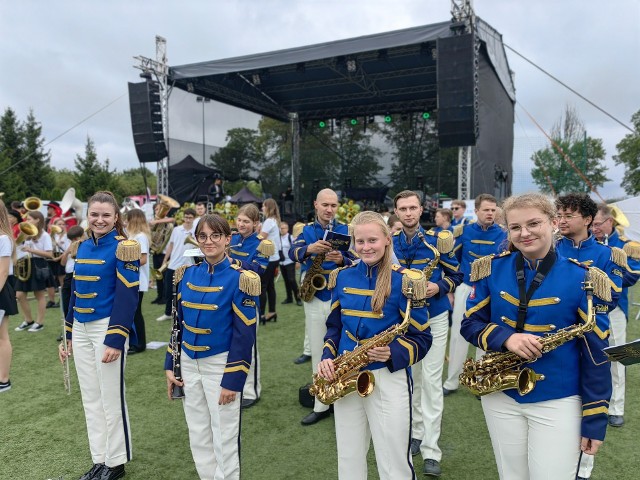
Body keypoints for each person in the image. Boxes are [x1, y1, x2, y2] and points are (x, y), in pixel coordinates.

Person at [460, 193, 612, 480]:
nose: (524, 233)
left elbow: (596, 353)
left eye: (533, 223)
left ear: (554, 222)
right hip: (502, 395)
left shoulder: (586, 277)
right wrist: (506, 338)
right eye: (515, 227)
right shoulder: (489, 268)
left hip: (559, 397)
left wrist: (594, 417)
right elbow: (470, 324)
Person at [317, 210, 432, 480]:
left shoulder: (407, 280)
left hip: (387, 376)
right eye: (360, 242)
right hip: (345, 373)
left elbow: (423, 338)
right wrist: (326, 356)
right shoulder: (342, 276)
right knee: (349, 454)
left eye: (372, 241)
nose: (366, 247)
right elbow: (334, 326)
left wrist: (393, 351)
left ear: (386, 240)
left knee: (393, 459)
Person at [165, 214, 259, 480]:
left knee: (224, 436)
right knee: (198, 432)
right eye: (203, 236)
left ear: (228, 239)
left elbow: (244, 336)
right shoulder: (186, 274)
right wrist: (171, 366)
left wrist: (233, 379)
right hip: (188, 363)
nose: (209, 242)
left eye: (215, 235)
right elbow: (177, 324)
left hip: (221, 365)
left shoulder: (241, 279)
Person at [59, 191, 140, 480]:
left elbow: (128, 298)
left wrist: (116, 338)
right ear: (87, 216)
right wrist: (67, 334)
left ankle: (115, 463)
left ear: (116, 217)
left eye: (106, 215)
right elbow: (75, 294)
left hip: (107, 327)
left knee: (110, 398)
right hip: (80, 328)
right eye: (94, 214)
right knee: (91, 398)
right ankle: (99, 459)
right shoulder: (81, 247)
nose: (99, 219)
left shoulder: (124, 248)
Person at [392, 190, 463, 476]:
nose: (408, 213)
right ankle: (416, 434)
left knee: (432, 382)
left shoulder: (438, 241)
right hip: (401, 323)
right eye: (403, 209)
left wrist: (439, 287)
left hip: (433, 318)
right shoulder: (390, 244)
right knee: (412, 381)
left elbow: (457, 275)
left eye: (413, 208)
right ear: (396, 212)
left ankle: (432, 450)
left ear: (422, 210)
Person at [555, 194, 625, 480]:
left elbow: (612, 296)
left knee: (591, 396)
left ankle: (583, 470)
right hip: (555, 333)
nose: (561, 219)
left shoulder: (608, 255)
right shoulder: (549, 248)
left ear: (587, 219)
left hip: (591, 333)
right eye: (559, 214)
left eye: (569, 215)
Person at [289, 188, 354, 426]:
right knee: (318, 350)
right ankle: (321, 403)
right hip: (316, 296)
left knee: (344, 350)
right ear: (316, 204)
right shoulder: (306, 230)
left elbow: (359, 258)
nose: (329, 209)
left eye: (333, 205)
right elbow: (292, 253)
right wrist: (309, 249)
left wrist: (342, 260)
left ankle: (342, 399)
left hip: (342, 297)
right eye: (325, 205)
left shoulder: (347, 230)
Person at [443, 193, 507, 395]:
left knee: (486, 335)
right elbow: (453, 262)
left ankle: (482, 380)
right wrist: (452, 290)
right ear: (477, 211)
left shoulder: (504, 234)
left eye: (493, 209)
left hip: (492, 291)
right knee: (458, 336)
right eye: (486, 209)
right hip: (466, 288)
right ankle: (452, 381)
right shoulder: (463, 231)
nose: (490, 213)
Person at [591, 203, 640, 428]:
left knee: (617, 357)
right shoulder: (587, 243)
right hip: (586, 309)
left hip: (615, 308)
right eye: (591, 224)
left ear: (610, 222)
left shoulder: (627, 246)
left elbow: (632, 276)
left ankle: (616, 408)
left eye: (598, 224)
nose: (594, 228)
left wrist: (603, 278)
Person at [228, 203, 270, 409]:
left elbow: (257, 271)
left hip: (248, 301)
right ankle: (233, 386)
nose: (241, 224)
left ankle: (252, 390)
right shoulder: (232, 239)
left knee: (248, 348)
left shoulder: (262, 244)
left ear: (256, 224)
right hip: (227, 298)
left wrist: (232, 261)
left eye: (246, 221)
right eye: (240, 220)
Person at [14, 210, 53, 332]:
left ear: (37, 220)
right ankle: (28, 320)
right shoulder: (27, 233)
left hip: (38, 265)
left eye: (30, 219)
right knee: (19, 295)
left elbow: (49, 254)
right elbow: (19, 247)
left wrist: (31, 250)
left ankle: (39, 322)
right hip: (25, 265)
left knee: (39, 295)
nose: (27, 221)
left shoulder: (45, 235)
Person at [156, 208, 196, 322]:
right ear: (183, 217)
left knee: (186, 293)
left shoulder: (196, 231)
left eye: (190, 218)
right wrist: (165, 259)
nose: (188, 220)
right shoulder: (176, 230)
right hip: (173, 265)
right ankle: (168, 313)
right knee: (169, 291)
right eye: (186, 217)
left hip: (188, 265)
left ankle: (185, 315)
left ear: (193, 218)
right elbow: (171, 245)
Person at [125, 209, 151, 354]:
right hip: (131, 278)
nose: (125, 221)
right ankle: (134, 341)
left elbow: (143, 259)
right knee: (132, 312)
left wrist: (126, 263)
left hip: (137, 279)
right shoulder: (132, 235)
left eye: (127, 219)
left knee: (136, 313)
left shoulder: (140, 237)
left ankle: (140, 344)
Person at [0, 200, 19, 393]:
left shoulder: (3, 238)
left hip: (1, 290)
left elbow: (3, 272)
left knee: (2, 336)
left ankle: (3, 379)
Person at [259, 198, 282, 324]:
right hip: (274, 257)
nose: (262, 208)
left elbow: (261, 238)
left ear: (268, 207)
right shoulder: (274, 220)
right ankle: (272, 311)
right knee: (270, 286)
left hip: (268, 257)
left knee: (263, 286)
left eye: (263, 206)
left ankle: (261, 314)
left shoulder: (268, 221)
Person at [149, 202, 175, 305]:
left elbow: (173, 220)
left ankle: (165, 297)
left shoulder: (168, 222)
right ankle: (159, 296)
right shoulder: (153, 222)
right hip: (156, 252)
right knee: (158, 276)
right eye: (156, 210)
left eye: (160, 209)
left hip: (166, 253)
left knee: (165, 277)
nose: (158, 211)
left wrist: (159, 220)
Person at [279, 221, 301, 306]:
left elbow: (296, 249)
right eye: (280, 228)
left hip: (290, 262)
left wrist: (297, 261)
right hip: (282, 262)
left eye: (283, 228)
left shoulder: (291, 238)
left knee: (292, 280)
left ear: (287, 229)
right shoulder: (278, 238)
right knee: (286, 281)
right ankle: (289, 298)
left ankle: (298, 298)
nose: (281, 230)